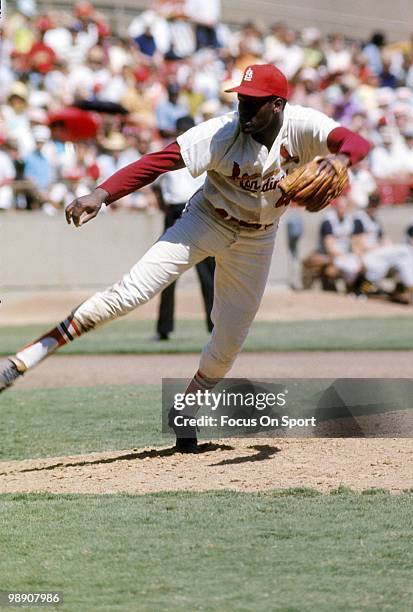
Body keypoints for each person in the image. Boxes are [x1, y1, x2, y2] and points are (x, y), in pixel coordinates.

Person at [0, 64, 370, 452]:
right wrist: (101, 194)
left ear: (277, 105)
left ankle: (186, 408)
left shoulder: (304, 126)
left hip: (258, 240)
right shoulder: (220, 133)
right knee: (126, 295)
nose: (243, 108)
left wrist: (342, 160)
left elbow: (356, 142)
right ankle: (22, 360)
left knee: (227, 345)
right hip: (206, 219)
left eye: (254, 103)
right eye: (241, 99)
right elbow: (158, 161)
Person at [154, 116, 215, 339]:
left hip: (194, 208)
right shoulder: (203, 150)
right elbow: (158, 188)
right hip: (189, 209)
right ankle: (166, 328)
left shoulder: (188, 151)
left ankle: (212, 327)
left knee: (203, 273)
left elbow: (157, 188)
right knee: (168, 272)